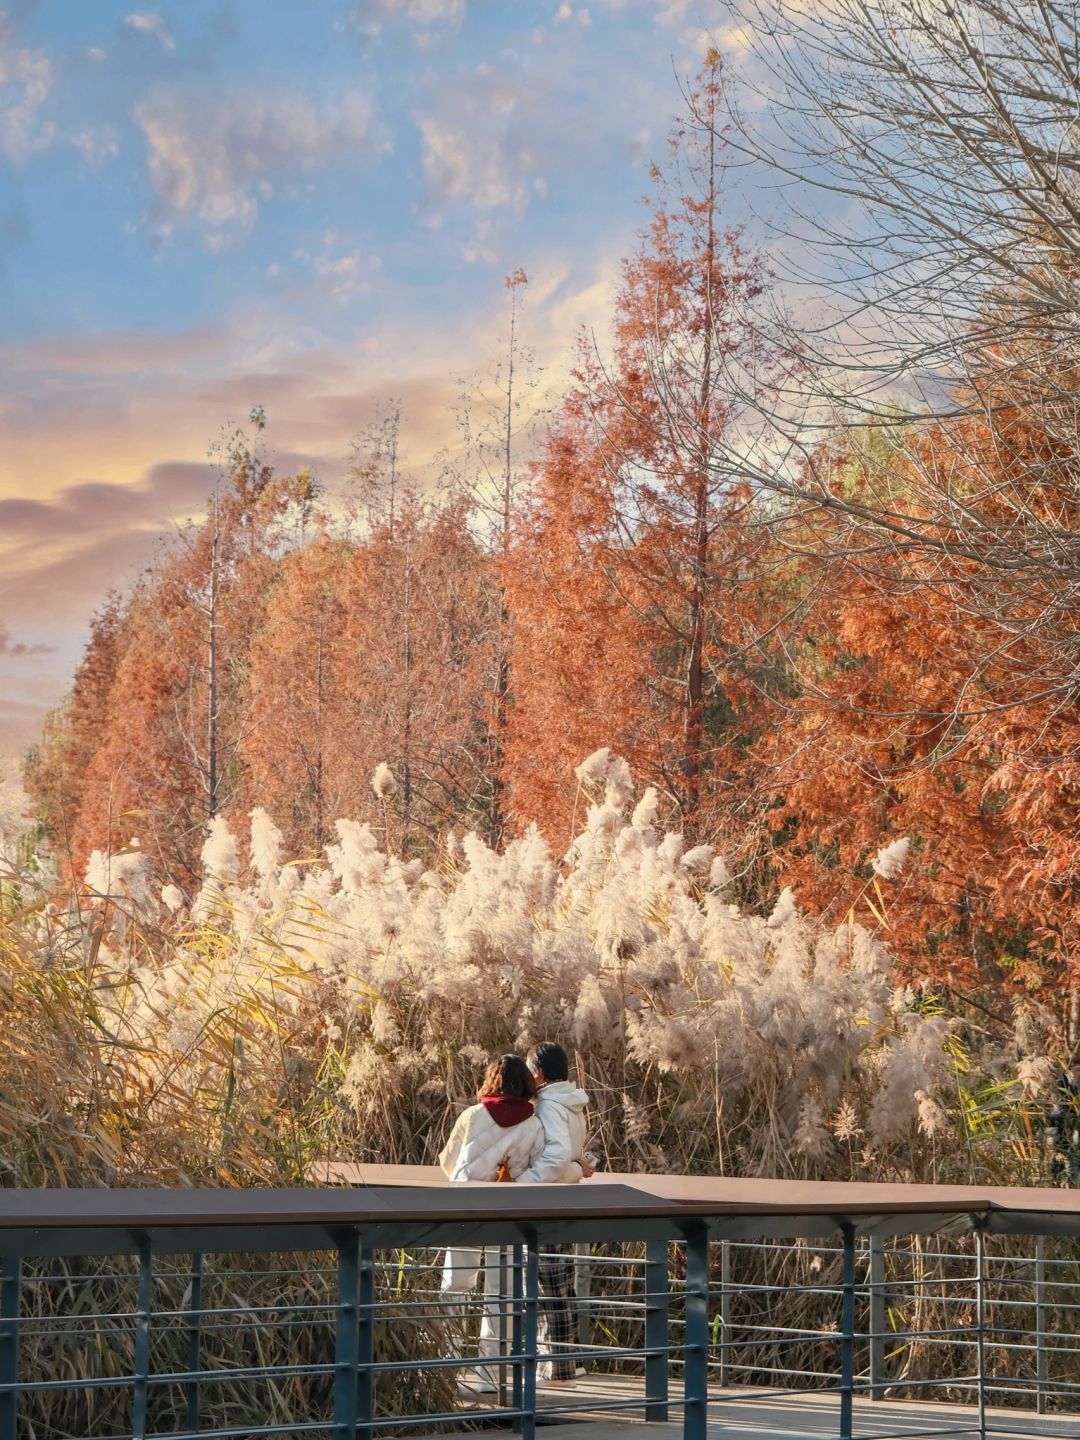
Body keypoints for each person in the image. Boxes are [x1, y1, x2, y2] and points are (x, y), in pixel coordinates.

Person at [439, 1054, 544, 1394]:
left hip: (463, 1209)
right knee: (499, 1293)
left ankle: (446, 1365)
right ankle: (489, 1376)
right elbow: (533, 1170)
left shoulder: (472, 1115)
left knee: (455, 1286)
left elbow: (448, 1160)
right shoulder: (533, 1123)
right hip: (505, 1212)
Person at [516, 1041, 592, 1383]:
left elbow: (557, 1153)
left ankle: (557, 1367)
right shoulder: (572, 1102)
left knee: (547, 1285)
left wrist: (524, 1183)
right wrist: (577, 1167)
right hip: (567, 1197)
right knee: (561, 1284)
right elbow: (571, 1154)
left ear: (540, 1073)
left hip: (545, 1200)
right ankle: (566, 1362)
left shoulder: (549, 1105)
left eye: (530, 1069)